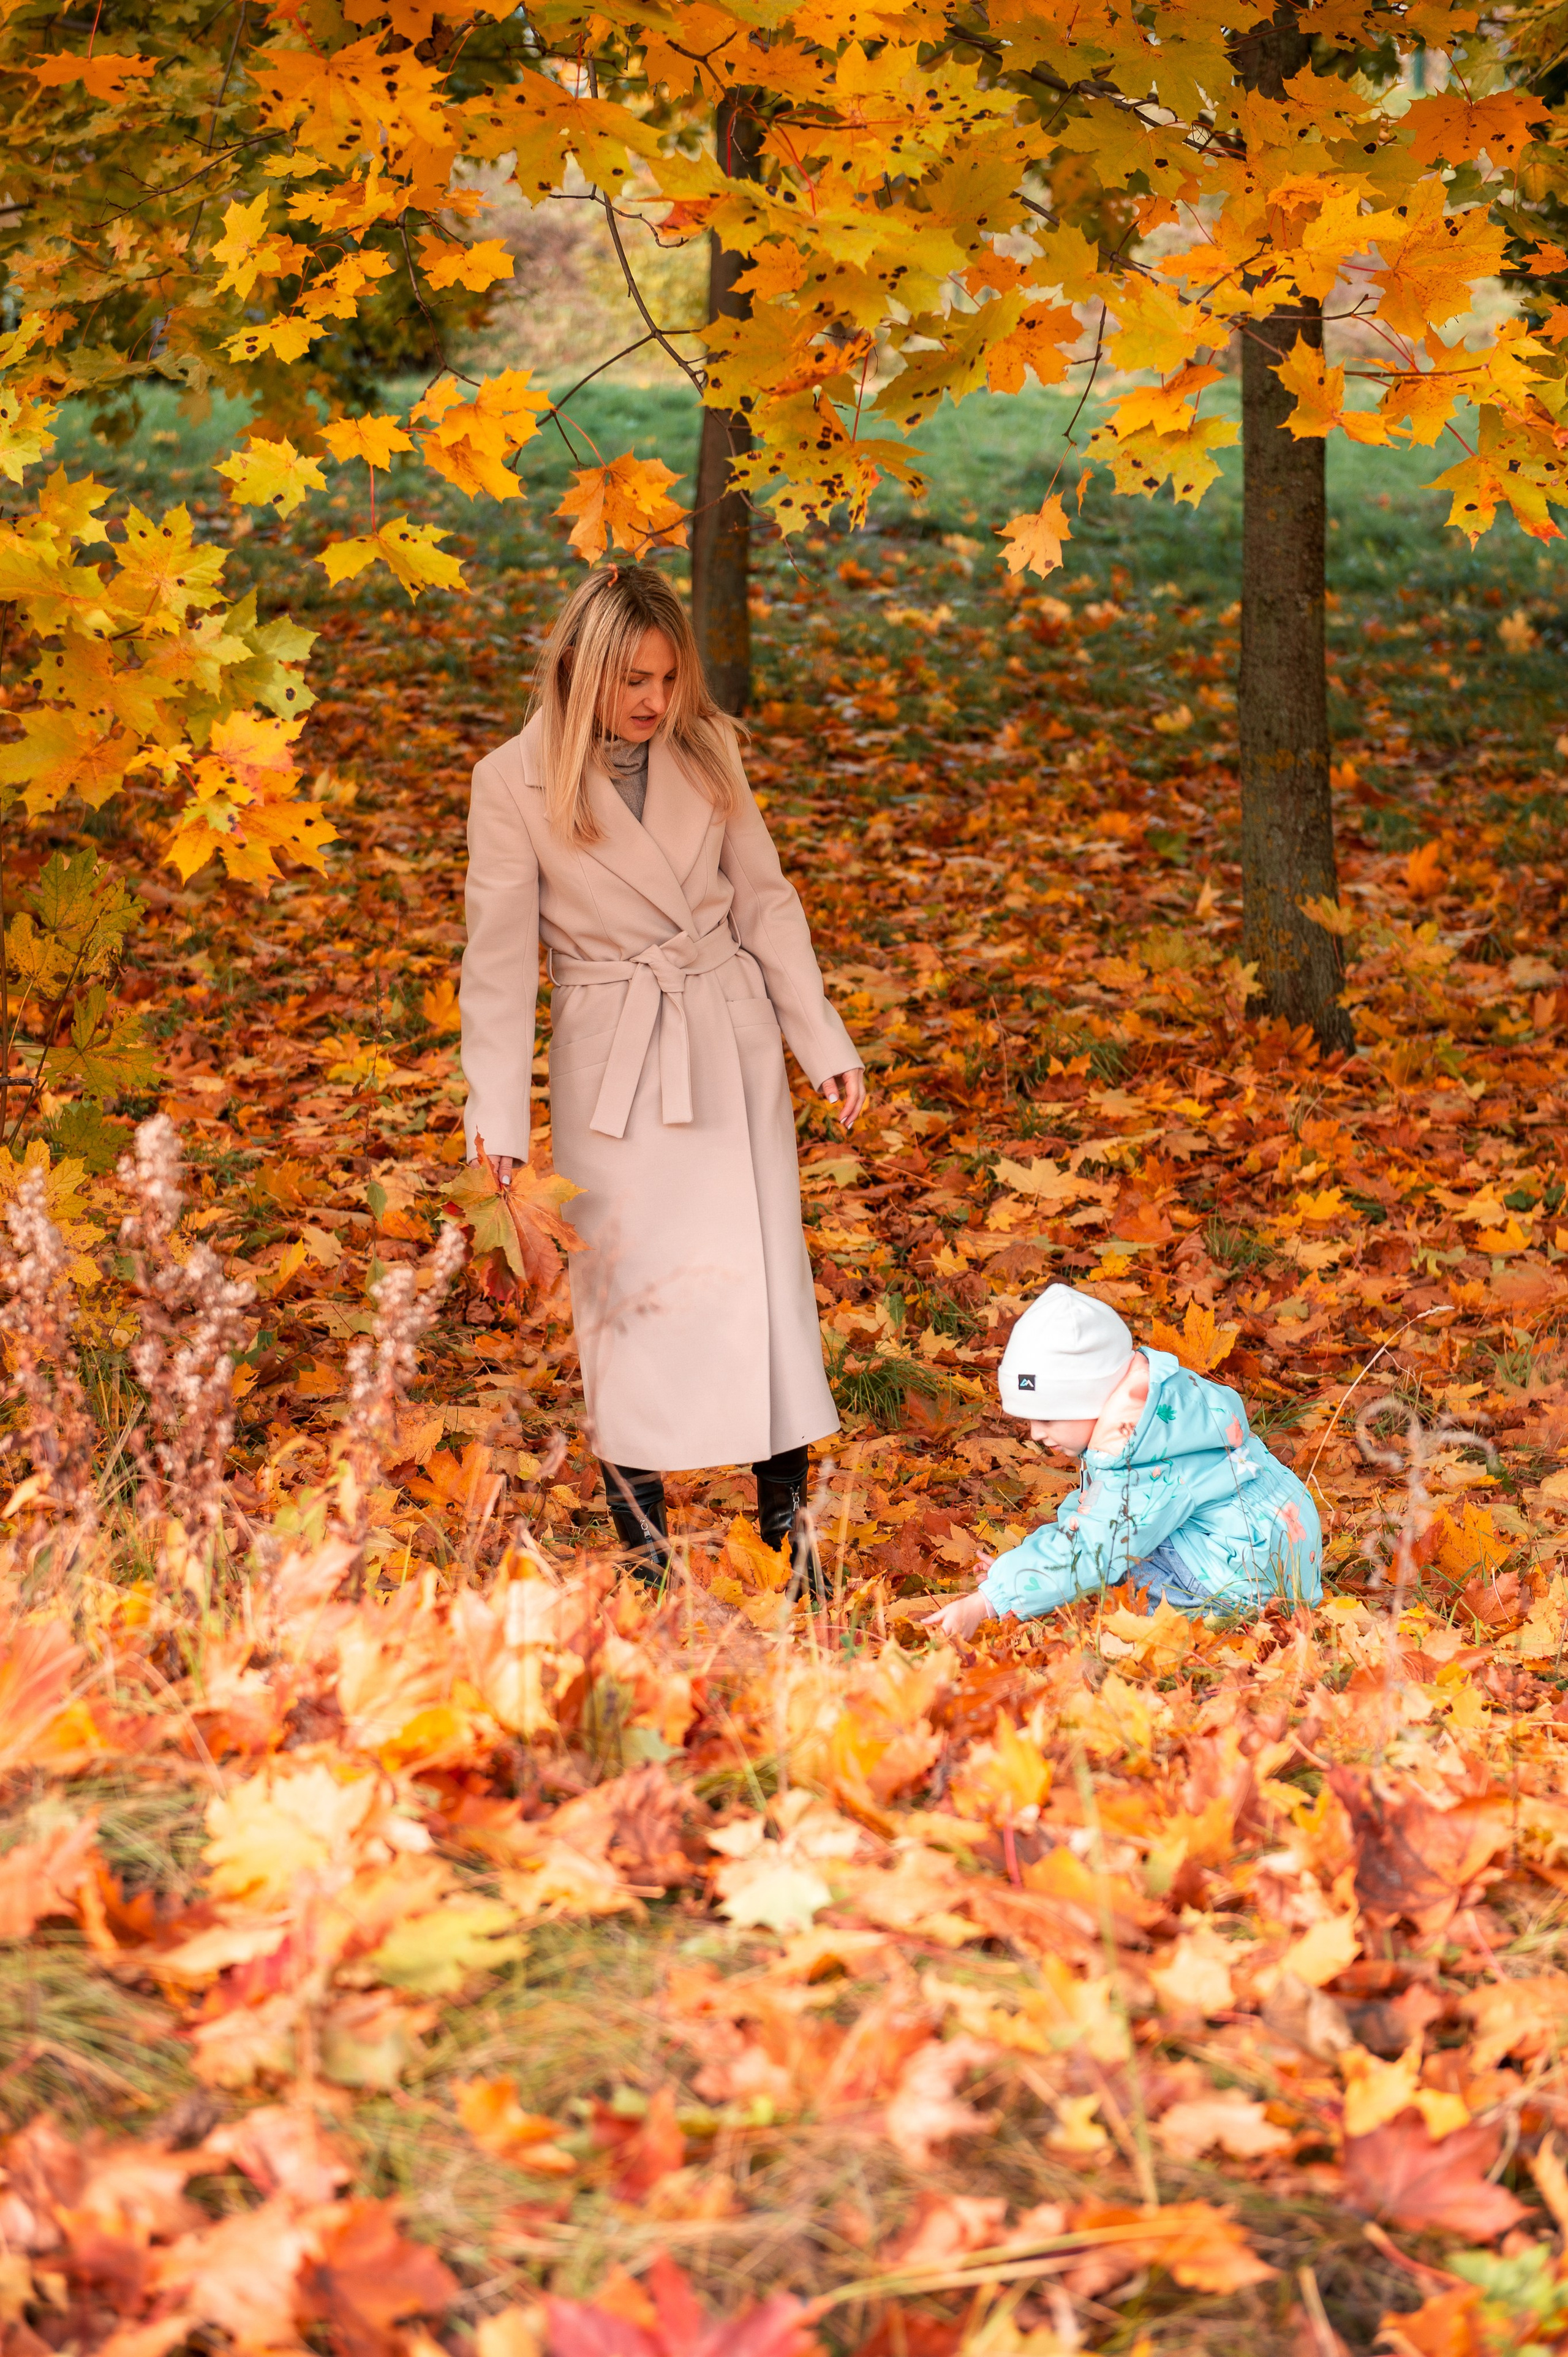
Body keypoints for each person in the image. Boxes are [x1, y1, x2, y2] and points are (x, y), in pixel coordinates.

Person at [459, 564, 865, 1581]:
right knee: (629, 1300)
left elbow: (766, 902)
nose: (653, 701)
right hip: (616, 1058)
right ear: (580, 667)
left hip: (724, 1038)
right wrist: (497, 1121)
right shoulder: (511, 781)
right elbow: (499, 968)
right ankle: (646, 1552)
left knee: (764, 1285)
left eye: (668, 678)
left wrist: (819, 1039)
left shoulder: (707, 749)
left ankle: (787, 1532)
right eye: (633, 678)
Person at [922, 1284, 1322, 1640]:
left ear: (1092, 1397)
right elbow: (1091, 1511)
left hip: (1234, 1582)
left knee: (1112, 1587)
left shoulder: (1134, 1457)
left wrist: (989, 1601)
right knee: (1107, 1552)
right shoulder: (1160, 1413)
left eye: (1047, 1418)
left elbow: (1088, 1546)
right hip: (1281, 1556)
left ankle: (1206, 1625)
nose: (1035, 1433)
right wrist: (1018, 1568)